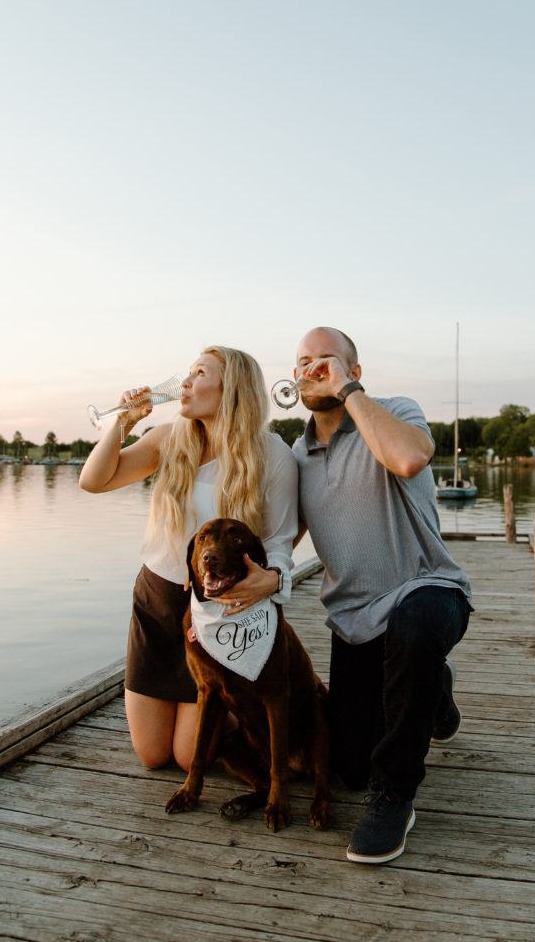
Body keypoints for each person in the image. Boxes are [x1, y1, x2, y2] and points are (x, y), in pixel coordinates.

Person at [291, 326, 473, 865]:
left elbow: (409, 460)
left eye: (327, 360)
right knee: (349, 768)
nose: (313, 369)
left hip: (428, 591)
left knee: (415, 625)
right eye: (304, 361)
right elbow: (279, 539)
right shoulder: (296, 455)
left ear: (355, 370)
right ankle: (433, 688)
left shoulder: (395, 410)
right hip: (354, 622)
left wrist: (348, 393)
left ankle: (395, 798)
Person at [80, 347, 297, 771]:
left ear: (231, 387)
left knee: (185, 757)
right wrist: (119, 425)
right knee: (153, 755)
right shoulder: (169, 438)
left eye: (199, 373)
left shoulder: (273, 456)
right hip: (158, 602)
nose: (184, 382)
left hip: (219, 612)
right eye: (188, 372)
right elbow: (93, 481)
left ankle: (250, 721)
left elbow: (281, 539)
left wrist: (273, 580)